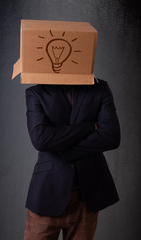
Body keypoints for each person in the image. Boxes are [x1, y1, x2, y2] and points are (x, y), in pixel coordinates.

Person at [23, 77, 121, 240]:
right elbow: (40, 140)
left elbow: (111, 137)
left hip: (87, 197)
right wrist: (90, 127)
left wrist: (59, 146)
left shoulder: (99, 88)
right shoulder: (36, 92)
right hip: (48, 193)